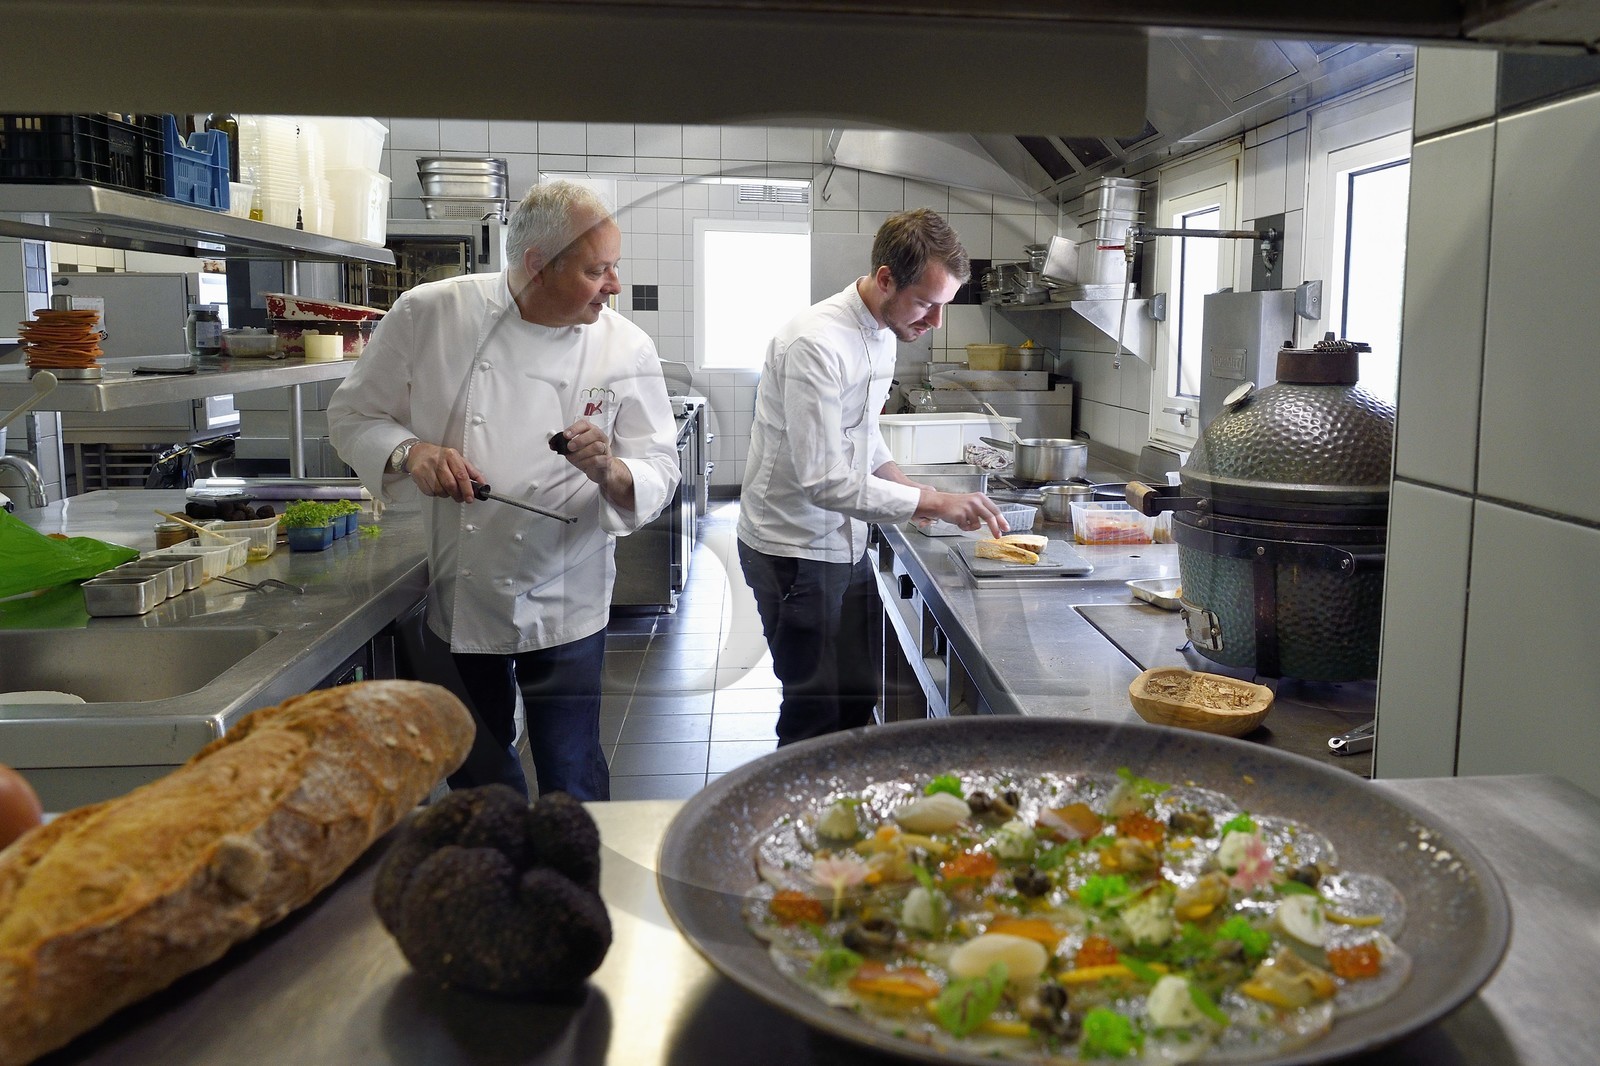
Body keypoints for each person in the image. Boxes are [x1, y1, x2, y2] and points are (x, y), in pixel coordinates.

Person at [328, 180, 680, 802]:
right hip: (465, 588)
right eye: (598, 270)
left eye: (614, 268)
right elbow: (353, 415)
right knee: (480, 773)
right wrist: (411, 452)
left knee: (571, 772)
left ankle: (577, 885)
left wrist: (612, 473)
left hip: (570, 589)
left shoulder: (626, 345)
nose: (615, 286)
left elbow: (659, 462)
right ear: (536, 265)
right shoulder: (430, 313)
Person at [737, 208, 1008, 746]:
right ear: (886, 278)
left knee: (859, 693)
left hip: (848, 541)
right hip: (794, 547)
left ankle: (841, 815)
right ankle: (798, 816)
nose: (934, 323)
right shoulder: (815, 343)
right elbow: (823, 479)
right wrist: (929, 503)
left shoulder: (884, 331)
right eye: (927, 304)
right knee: (814, 709)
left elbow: (865, 436)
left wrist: (919, 491)